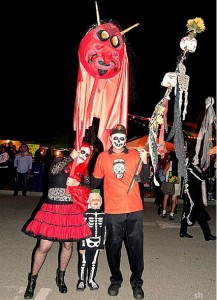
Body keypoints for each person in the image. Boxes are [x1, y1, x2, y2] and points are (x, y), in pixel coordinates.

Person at [22, 144, 93, 299]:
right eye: (82, 152)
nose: (84, 156)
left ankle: (60, 277)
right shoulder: (60, 161)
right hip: (52, 208)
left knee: (67, 245)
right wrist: (71, 157)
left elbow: (89, 186)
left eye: (87, 155)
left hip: (70, 210)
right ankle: (32, 280)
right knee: (44, 246)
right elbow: (53, 171)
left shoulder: (84, 171)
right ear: (75, 150)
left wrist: (78, 184)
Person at [90, 124, 150, 300]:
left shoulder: (134, 155)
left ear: (125, 139)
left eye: (121, 137)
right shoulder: (102, 157)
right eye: (115, 137)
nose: (118, 140)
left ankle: (137, 282)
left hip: (134, 210)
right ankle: (116, 279)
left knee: (136, 249)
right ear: (110, 139)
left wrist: (145, 160)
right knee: (113, 247)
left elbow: (145, 179)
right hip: (113, 211)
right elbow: (94, 183)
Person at [180, 152, 216, 241]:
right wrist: (206, 171)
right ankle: (183, 232)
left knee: (201, 216)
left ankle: (207, 234)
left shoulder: (194, 168)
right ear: (192, 159)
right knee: (187, 214)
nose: (198, 159)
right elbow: (201, 178)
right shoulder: (190, 168)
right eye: (197, 158)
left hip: (196, 196)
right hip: (191, 196)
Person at [76, 190, 106, 291]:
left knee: (93, 262)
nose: (96, 201)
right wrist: (82, 246)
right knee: (83, 262)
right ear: (89, 201)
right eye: (93, 199)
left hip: (97, 243)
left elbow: (104, 230)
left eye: (98, 199)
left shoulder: (103, 214)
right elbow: (82, 230)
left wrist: (102, 244)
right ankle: (81, 280)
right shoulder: (85, 215)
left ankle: (91, 280)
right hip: (86, 242)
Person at [161, 151, 181, 220]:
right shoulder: (179, 164)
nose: (168, 157)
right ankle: (171, 214)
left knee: (166, 197)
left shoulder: (169, 163)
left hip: (169, 180)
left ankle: (164, 212)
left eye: (169, 156)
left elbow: (164, 172)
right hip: (176, 180)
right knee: (174, 199)